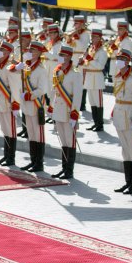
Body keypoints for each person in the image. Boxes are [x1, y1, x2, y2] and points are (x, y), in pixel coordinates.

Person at [13, 41, 48, 172]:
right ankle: (33, 161)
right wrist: (18, 67)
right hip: (27, 106)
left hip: (35, 105)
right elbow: (13, 72)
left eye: (33, 50)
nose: (30, 52)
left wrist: (29, 96)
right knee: (31, 135)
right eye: (29, 50)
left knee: (38, 135)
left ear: (39, 53)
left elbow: (42, 89)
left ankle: (39, 163)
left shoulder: (41, 70)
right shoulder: (26, 67)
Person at [49, 45, 83, 179]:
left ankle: (69, 170)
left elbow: (78, 96)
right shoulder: (57, 72)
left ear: (68, 57)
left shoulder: (75, 74)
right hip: (58, 110)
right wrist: (51, 107)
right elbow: (54, 92)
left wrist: (74, 114)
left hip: (68, 112)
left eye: (62, 55)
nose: (60, 57)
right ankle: (64, 168)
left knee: (70, 141)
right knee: (63, 141)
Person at [111, 48, 132, 194]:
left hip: (129, 116)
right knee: (125, 150)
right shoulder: (116, 77)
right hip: (118, 115)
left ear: (128, 61)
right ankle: (127, 181)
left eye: (123, 59)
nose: (119, 61)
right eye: (118, 58)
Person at [0, 41, 22, 166]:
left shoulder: (10, 67)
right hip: (0, 100)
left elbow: (14, 87)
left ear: (8, 52)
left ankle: (11, 158)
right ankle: (6, 155)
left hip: (8, 102)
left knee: (11, 130)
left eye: (2, 49)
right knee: (4, 129)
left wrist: (16, 104)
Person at [78, 29, 108, 132]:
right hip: (89, 78)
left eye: (95, 37)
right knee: (92, 102)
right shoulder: (91, 49)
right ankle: (95, 123)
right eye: (92, 37)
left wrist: (89, 59)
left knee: (98, 102)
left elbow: (100, 66)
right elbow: (88, 62)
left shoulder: (102, 52)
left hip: (97, 78)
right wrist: (83, 62)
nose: (93, 39)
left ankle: (100, 124)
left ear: (100, 38)